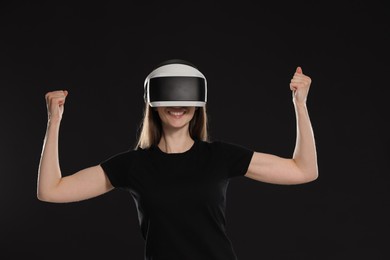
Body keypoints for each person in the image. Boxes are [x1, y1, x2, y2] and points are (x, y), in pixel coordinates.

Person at [37, 59, 318, 260]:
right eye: (169, 97)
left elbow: (304, 170)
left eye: (186, 97)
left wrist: (300, 105)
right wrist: (54, 122)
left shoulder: (219, 157)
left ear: (198, 105)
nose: (177, 105)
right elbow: (51, 190)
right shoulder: (133, 165)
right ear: (153, 104)